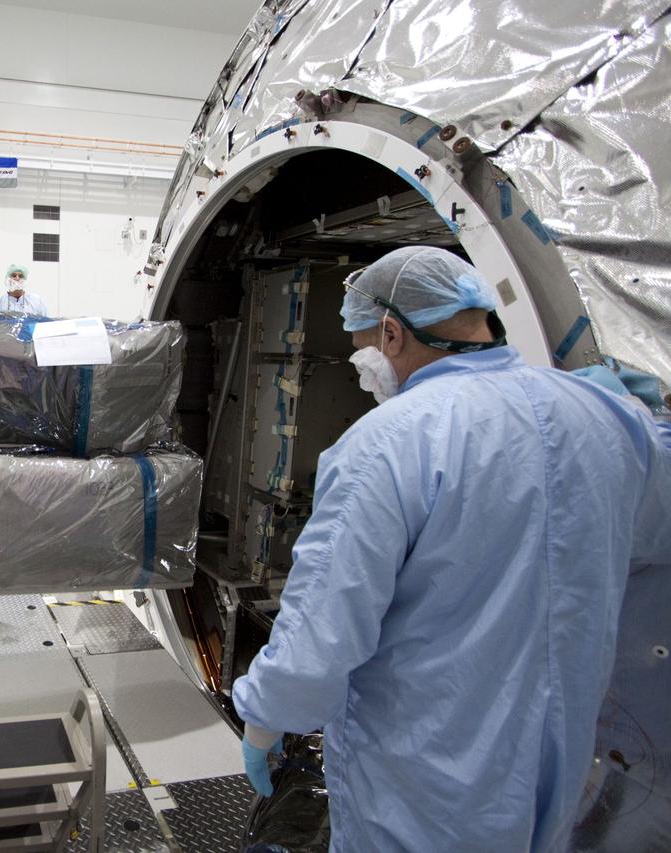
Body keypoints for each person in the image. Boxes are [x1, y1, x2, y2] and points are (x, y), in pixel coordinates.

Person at [231, 245, 671, 852]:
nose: (365, 366)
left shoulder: (390, 442)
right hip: (557, 761)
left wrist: (266, 715)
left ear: (391, 333)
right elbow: (653, 538)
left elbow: (323, 628)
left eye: (362, 346)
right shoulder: (600, 414)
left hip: (428, 777)